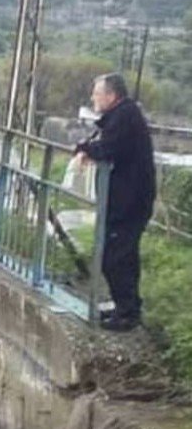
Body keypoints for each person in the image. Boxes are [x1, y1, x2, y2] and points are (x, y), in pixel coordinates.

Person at [76, 73, 156, 332]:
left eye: (96, 93)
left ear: (111, 95)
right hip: (128, 199)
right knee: (123, 255)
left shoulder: (125, 116)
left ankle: (127, 313)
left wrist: (85, 150)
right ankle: (125, 306)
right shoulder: (122, 114)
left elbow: (109, 148)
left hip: (130, 202)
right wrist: (86, 147)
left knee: (115, 257)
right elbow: (104, 142)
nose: (93, 98)